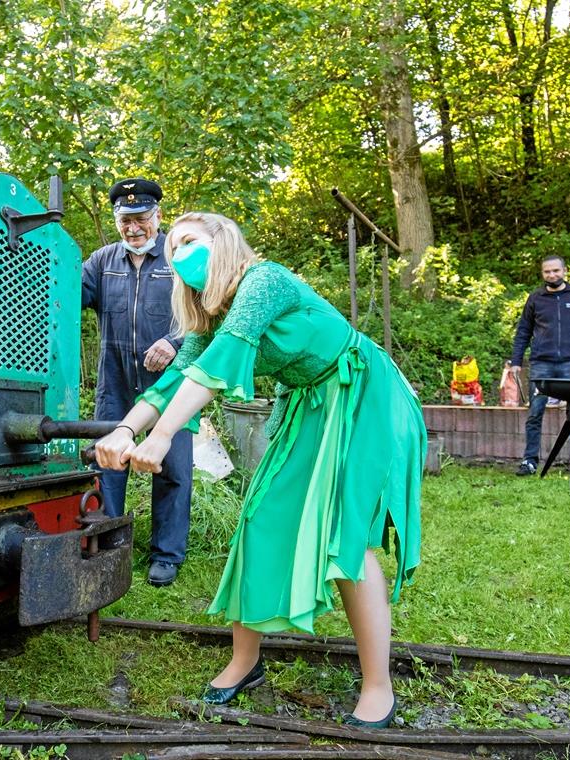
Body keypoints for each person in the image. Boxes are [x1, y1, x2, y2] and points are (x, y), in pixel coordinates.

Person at [95, 212, 425, 728]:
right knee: (258, 520)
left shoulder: (262, 280)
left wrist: (159, 439)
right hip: (307, 403)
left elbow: (218, 368)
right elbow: (177, 378)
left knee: (347, 535)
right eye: (174, 247)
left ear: (221, 240)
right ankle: (245, 662)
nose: (179, 254)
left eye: (189, 241)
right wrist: (123, 430)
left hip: (361, 394)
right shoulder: (215, 315)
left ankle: (378, 685)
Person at [82, 178, 193, 587]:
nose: (134, 228)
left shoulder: (179, 259)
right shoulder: (101, 261)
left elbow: (203, 314)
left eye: (142, 218)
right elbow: (65, 295)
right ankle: (111, 542)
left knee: (172, 467)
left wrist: (175, 342)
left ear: (158, 217)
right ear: (117, 220)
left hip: (170, 385)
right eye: (126, 220)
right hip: (114, 381)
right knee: (109, 462)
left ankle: (166, 555)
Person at [510, 255, 570, 476]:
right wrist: (516, 361)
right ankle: (529, 461)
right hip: (541, 364)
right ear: (542, 274)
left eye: (555, 271)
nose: (552, 275)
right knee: (535, 413)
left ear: (565, 271)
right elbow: (523, 331)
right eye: (547, 272)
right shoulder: (535, 298)